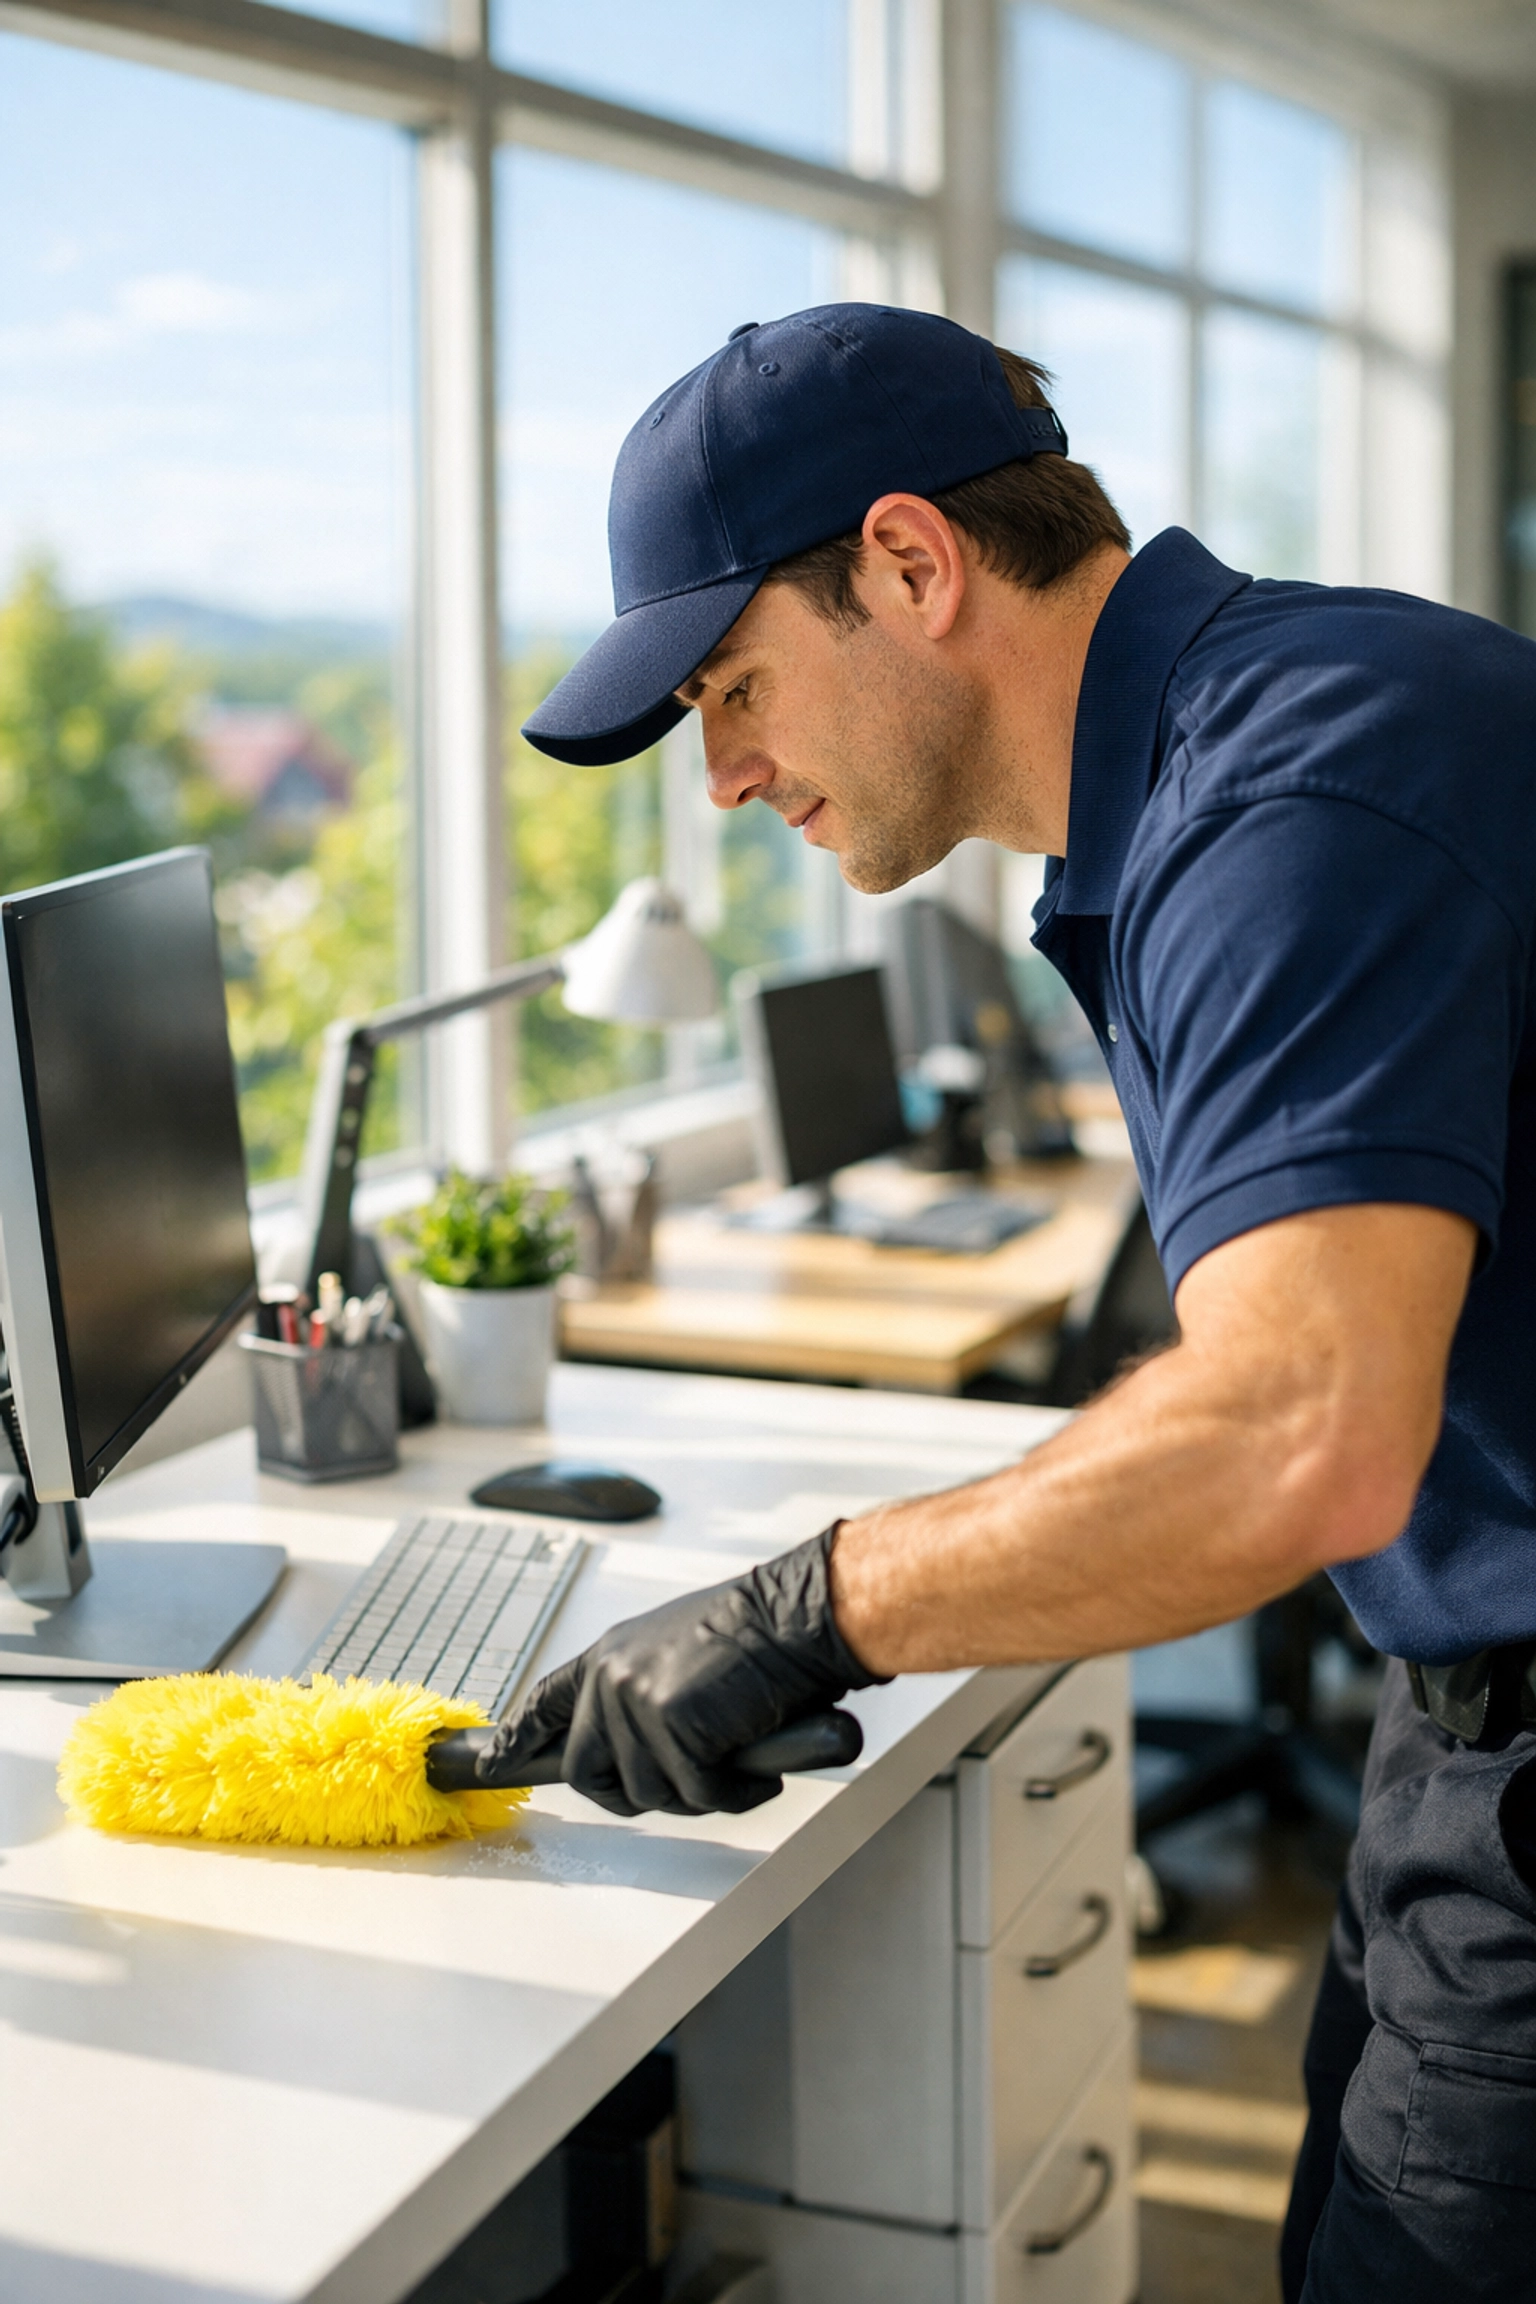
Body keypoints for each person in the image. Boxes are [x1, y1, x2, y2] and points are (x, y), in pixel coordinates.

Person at [496, 304, 1536, 2301]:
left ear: (910, 563)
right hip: (1461, 1702)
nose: (722, 776)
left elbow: (1298, 1438)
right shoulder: (1254, 735)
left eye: (733, 689)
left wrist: (812, 1611)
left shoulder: (1290, 809)